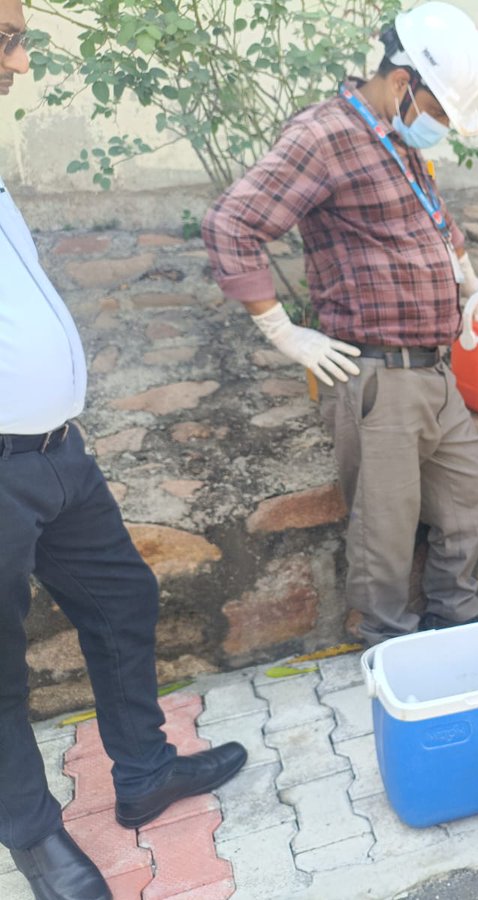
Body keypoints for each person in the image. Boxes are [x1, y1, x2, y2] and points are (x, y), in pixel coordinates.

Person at [0, 5, 247, 898]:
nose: (20, 63)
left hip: (57, 454)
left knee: (123, 597)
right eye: (5, 39)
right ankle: (37, 841)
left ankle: (143, 772)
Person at [203, 3, 478, 646]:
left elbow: (430, 214)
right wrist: (283, 331)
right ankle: (387, 644)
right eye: (440, 111)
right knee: (385, 526)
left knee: (468, 486)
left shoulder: (395, 135)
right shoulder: (323, 136)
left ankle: (455, 614)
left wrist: (467, 276)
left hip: (432, 368)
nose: (442, 127)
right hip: (376, 373)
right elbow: (232, 224)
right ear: (402, 83)